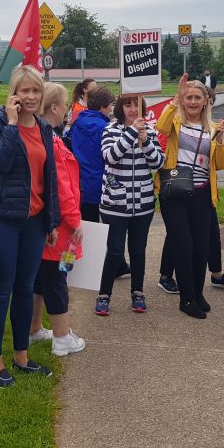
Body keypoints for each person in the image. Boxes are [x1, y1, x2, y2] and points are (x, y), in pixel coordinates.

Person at [0, 66, 61, 387]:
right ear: (13, 92)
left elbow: (48, 177)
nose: (30, 97)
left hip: (33, 222)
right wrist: (13, 125)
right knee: (1, 292)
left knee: (25, 290)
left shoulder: (43, 127)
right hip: (0, 219)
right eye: (24, 90)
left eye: (35, 91)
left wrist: (50, 220)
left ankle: (21, 356)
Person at [155, 75, 224, 319]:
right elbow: (161, 127)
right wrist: (176, 97)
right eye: (189, 97)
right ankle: (186, 298)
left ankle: (197, 293)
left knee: (201, 248)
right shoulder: (175, 121)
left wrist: (219, 140)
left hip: (202, 194)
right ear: (183, 100)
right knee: (184, 246)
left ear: (206, 102)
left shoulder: (212, 128)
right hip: (174, 193)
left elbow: (221, 164)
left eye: (198, 97)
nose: (194, 101)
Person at [29, 83, 87, 357]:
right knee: (57, 278)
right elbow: (62, 188)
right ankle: (63, 338)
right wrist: (76, 221)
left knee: (41, 278)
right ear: (54, 107)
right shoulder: (51, 141)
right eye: (63, 104)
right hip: (60, 226)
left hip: (42, 222)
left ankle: (33, 329)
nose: (66, 110)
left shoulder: (38, 136)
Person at [93, 93, 164, 316]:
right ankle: (104, 294)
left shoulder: (149, 131)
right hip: (115, 204)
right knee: (114, 251)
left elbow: (158, 162)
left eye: (137, 104)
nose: (133, 109)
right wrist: (132, 132)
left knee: (138, 251)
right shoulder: (110, 129)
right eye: (127, 104)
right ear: (120, 108)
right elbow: (110, 156)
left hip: (143, 204)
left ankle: (138, 292)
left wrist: (145, 142)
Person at [69, 85, 115, 223]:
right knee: (103, 234)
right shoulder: (105, 128)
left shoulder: (77, 123)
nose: (112, 109)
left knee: (86, 230)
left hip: (80, 183)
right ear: (102, 107)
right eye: (110, 105)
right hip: (99, 184)